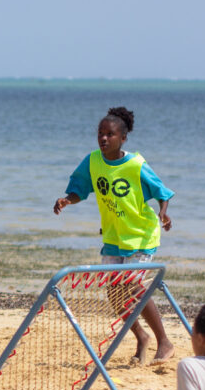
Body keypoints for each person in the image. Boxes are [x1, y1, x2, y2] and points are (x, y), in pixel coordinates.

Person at [53, 106, 175, 365]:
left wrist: (163, 213)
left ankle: (164, 340)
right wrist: (66, 200)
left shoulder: (136, 164)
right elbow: (79, 190)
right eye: (100, 133)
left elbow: (162, 192)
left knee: (133, 286)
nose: (104, 138)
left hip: (142, 235)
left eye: (110, 134)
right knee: (114, 293)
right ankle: (141, 336)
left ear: (123, 138)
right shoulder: (92, 161)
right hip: (113, 238)